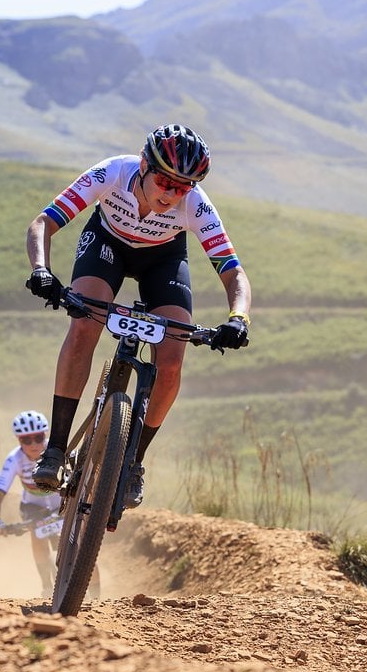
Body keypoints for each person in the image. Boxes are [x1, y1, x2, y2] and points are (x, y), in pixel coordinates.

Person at [24, 123, 251, 508]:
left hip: (162, 259)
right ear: (145, 164)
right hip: (107, 243)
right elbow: (43, 223)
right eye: (164, 181)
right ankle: (56, 450)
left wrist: (238, 317)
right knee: (84, 326)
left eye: (182, 187)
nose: (170, 194)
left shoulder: (195, 205)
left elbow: (233, 271)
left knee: (172, 362)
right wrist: (41, 270)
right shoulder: (113, 172)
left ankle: (132, 464)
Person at [0, 410, 64, 598]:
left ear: (45, 435)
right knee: (37, 536)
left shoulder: (57, 451)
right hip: (33, 507)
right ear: (18, 440)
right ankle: (46, 586)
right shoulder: (14, 459)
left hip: (61, 504)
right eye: (26, 440)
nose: (34, 445)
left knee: (69, 542)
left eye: (38, 438)